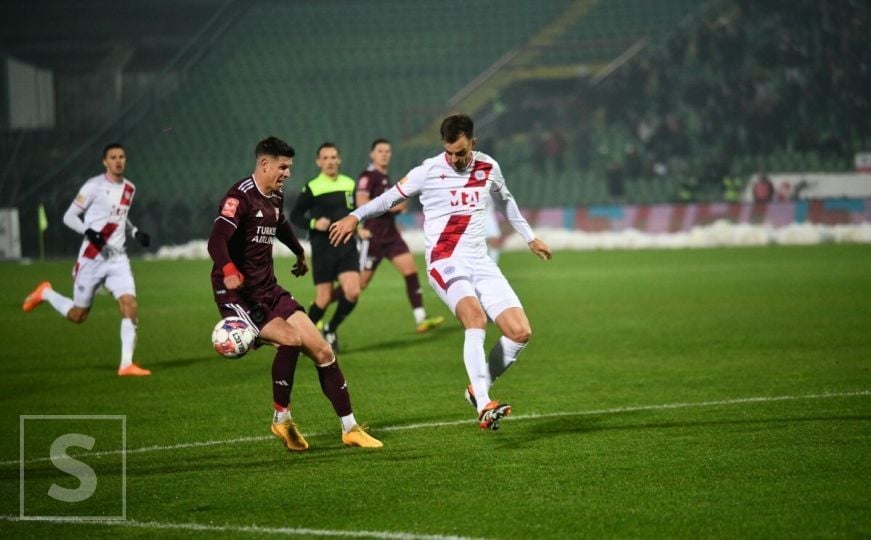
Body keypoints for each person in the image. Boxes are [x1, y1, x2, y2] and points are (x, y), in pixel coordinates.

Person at [330, 114, 552, 431]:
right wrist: (355, 217)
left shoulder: (489, 167)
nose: (455, 159)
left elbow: (507, 201)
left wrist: (530, 237)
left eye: (461, 153)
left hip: (481, 262)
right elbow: (388, 198)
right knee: (475, 318)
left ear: (473, 144)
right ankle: (485, 404)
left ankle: (477, 388)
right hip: (445, 261)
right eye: (450, 152)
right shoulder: (429, 170)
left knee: (520, 332)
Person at [208, 136, 382, 450]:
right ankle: (281, 419)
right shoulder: (239, 197)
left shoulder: (275, 195)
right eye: (282, 167)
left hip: (269, 289)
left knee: (324, 351)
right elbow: (216, 241)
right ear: (264, 164)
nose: (287, 173)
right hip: (238, 295)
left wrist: (299, 252)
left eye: (289, 167)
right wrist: (230, 270)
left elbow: (282, 224)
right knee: (289, 339)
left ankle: (350, 427)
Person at [22, 143, 152, 377]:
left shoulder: (129, 188)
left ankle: (126, 365)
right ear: (105, 162)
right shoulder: (94, 186)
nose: (118, 161)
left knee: (130, 306)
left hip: (118, 258)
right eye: (113, 157)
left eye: (122, 156)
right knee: (78, 315)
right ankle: (46, 292)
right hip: (92, 258)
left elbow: (121, 216)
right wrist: (89, 232)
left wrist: (134, 232)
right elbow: (68, 216)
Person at [325, 138, 445, 333]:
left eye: (387, 151)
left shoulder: (387, 178)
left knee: (410, 271)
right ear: (372, 154)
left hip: (392, 236)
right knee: (359, 285)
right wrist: (392, 207)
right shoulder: (368, 176)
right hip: (373, 238)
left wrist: (398, 205)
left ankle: (421, 318)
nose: (384, 154)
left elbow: (400, 203)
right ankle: (322, 304)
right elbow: (362, 201)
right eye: (380, 151)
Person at [290, 143, 360, 353]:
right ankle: (302, 341)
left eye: (333, 157)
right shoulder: (312, 187)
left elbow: (356, 211)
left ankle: (331, 328)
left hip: (347, 245)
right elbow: (295, 216)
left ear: (339, 160)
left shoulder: (349, 183)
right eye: (325, 158)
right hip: (323, 248)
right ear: (318, 162)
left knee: (353, 291)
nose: (330, 161)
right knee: (324, 298)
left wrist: (361, 226)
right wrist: (313, 223)